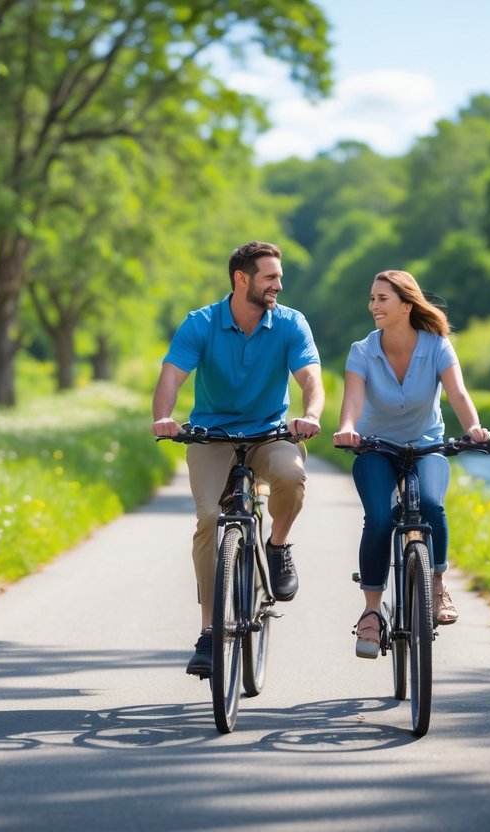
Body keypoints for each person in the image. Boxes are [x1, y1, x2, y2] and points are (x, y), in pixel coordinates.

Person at [152, 241, 324, 677]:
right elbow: (172, 375)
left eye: (279, 277)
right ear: (241, 279)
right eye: (270, 277)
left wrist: (311, 414)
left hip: (270, 432)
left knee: (291, 475)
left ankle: (278, 544)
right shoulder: (202, 323)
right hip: (212, 436)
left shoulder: (290, 324)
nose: (278, 286)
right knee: (210, 518)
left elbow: (310, 378)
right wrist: (164, 417)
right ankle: (209, 633)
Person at [332, 269, 490, 659]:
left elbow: (457, 392)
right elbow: (353, 399)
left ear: (407, 304)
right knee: (381, 519)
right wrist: (347, 428)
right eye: (371, 299)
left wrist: (472, 427)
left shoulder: (437, 346)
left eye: (381, 299)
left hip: (426, 445)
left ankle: (437, 586)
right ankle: (371, 613)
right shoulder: (362, 351)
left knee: (434, 507)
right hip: (375, 446)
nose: (373, 306)